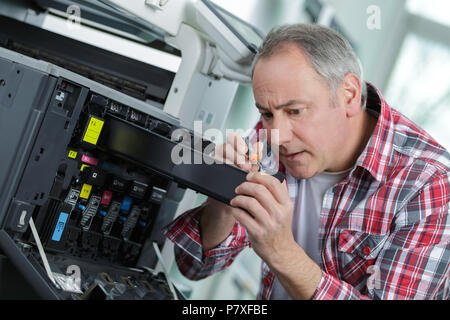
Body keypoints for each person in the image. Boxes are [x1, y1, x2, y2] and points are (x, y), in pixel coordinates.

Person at [163, 24, 450, 300]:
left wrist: (281, 251)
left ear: (349, 94)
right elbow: (195, 267)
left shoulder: (429, 184)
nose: (277, 135)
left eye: (296, 111)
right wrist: (223, 200)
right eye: (266, 113)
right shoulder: (272, 134)